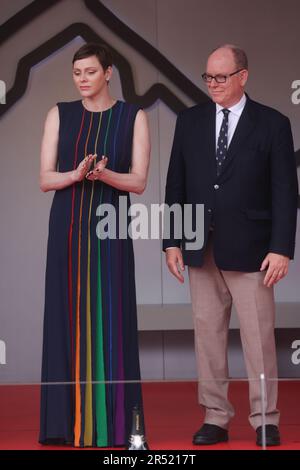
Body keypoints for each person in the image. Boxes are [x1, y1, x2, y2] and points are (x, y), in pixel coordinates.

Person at [163, 44, 298, 446]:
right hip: (200, 248)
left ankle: (264, 420)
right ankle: (216, 417)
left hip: (256, 251)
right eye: (208, 77)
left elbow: (284, 192)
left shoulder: (272, 124)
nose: (213, 84)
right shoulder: (189, 121)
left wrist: (282, 247)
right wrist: (172, 241)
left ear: (243, 76)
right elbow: (176, 186)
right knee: (208, 337)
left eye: (221, 77)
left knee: (258, 340)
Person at [39, 42, 150, 448]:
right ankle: (62, 425)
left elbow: (138, 182)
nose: (82, 79)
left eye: (89, 72)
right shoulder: (59, 114)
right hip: (67, 228)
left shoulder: (133, 117)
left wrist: (104, 176)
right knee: (66, 318)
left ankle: (119, 427)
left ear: (108, 73)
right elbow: (45, 179)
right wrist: (76, 173)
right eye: (76, 73)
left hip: (110, 229)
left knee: (112, 317)